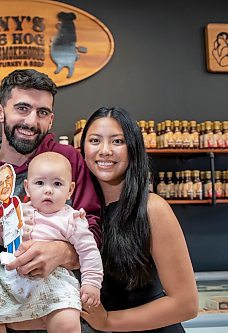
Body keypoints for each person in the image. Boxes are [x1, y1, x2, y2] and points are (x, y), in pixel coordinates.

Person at [0, 68, 101, 279]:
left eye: (42, 112)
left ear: (51, 120)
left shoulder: (67, 160)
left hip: (59, 299)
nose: (31, 122)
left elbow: (94, 228)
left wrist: (62, 253)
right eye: (22, 108)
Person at [79, 107, 198, 332]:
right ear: (83, 148)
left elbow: (186, 304)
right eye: (95, 140)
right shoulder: (80, 212)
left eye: (117, 142)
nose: (104, 151)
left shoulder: (152, 209)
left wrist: (108, 321)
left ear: (133, 149)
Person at [0, 152, 103, 333]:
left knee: (67, 319)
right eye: (40, 183)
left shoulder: (72, 218)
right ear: (27, 187)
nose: (48, 190)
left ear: (70, 190)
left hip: (54, 282)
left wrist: (91, 283)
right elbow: (5, 239)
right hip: (13, 281)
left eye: (57, 184)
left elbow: (89, 252)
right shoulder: (17, 211)